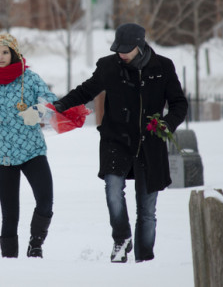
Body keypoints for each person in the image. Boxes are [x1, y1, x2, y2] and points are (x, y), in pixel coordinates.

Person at [52, 23, 188, 263]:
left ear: (140, 44)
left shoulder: (162, 67)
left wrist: (166, 124)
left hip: (150, 144)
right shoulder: (109, 66)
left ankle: (144, 259)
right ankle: (121, 239)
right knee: (113, 192)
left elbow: (179, 104)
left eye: (127, 49)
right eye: (118, 48)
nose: (121, 53)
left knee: (147, 211)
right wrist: (60, 106)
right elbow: (86, 91)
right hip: (116, 140)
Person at [0, 33, 58, 259]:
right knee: (10, 214)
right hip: (4, 153)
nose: (0, 57)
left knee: (45, 200)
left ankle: (35, 245)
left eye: (5, 52)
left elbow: (52, 102)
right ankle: (9, 261)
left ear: (14, 54)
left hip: (32, 149)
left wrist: (39, 111)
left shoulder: (29, 78)